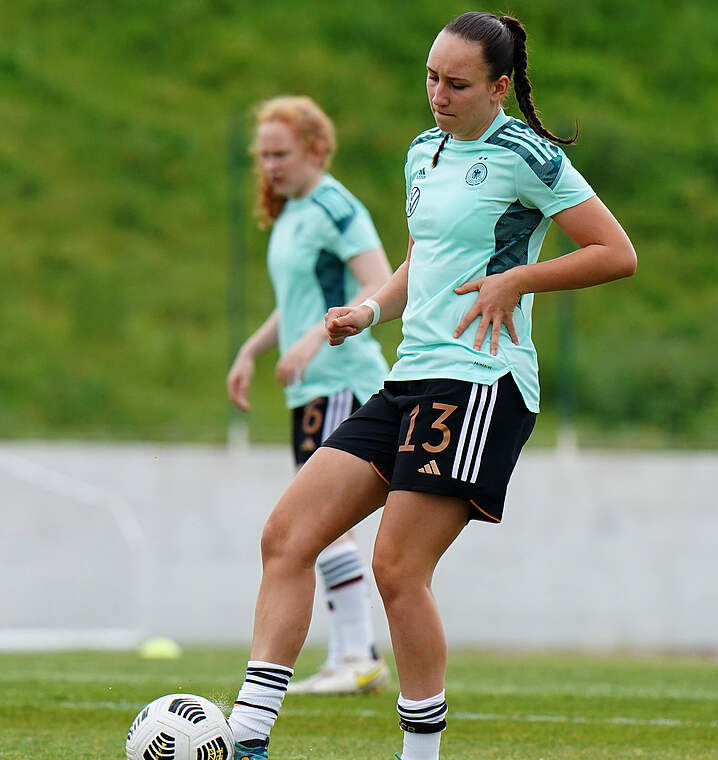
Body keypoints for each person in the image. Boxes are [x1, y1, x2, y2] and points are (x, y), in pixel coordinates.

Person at [227, 11, 636, 760]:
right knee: (286, 536)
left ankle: (421, 755)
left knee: (395, 567)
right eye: (430, 79)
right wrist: (371, 309)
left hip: (482, 379)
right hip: (410, 376)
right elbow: (424, 261)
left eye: (456, 84)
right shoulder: (424, 152)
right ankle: (245, 740)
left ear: (499, 87)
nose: (438, 96)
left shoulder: (529, 158)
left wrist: (518, 280)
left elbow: (616, 252)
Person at [226, 95, 394, 696]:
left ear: (316, 150)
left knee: (318, 525)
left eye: (281, 153)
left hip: (346, 381)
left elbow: (380, 281)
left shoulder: (334, 205)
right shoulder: (294, 212)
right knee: (312, 526)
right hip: (314, 389)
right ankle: (352, 656)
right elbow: (295, 301)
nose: (270, 165)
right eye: (263, 155)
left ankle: (357, 656)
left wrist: (311, 343)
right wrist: (253, 350)